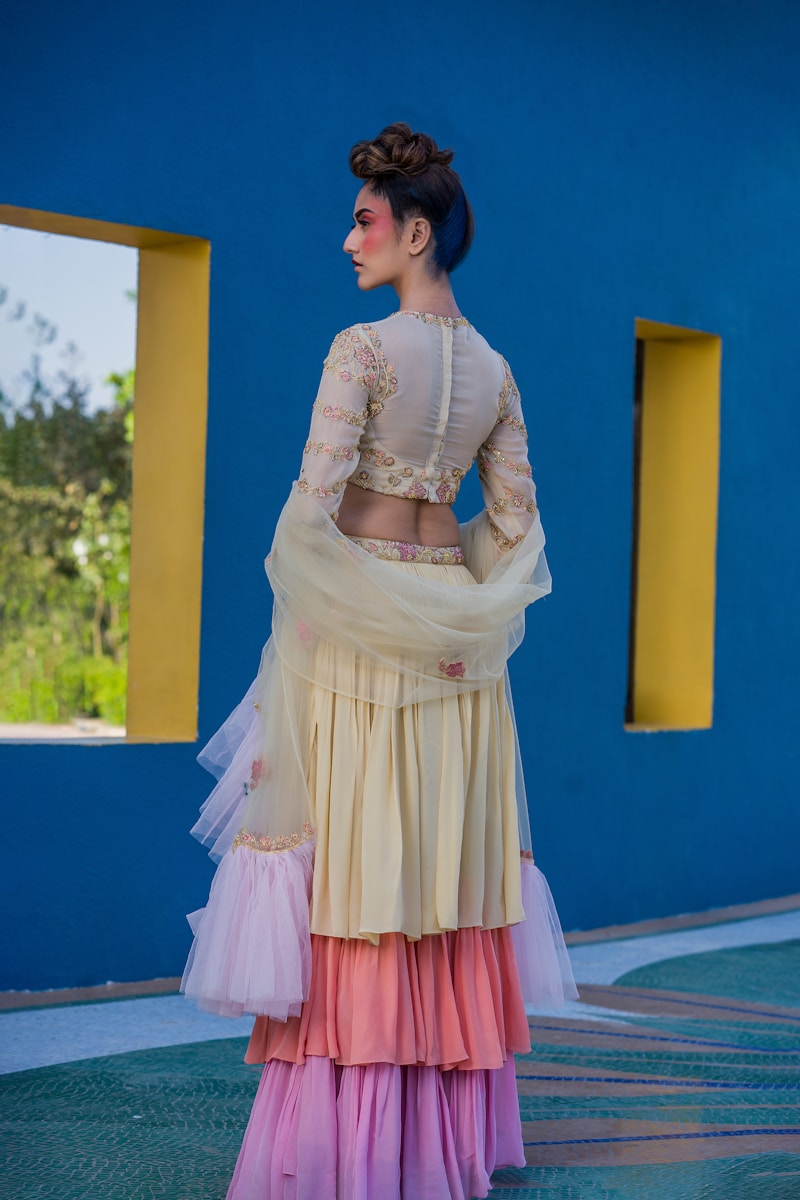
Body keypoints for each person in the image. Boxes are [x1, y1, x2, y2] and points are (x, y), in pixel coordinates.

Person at [182, 122, 576, 1200]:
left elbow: (308, 513)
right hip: (453, 631)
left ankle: (347, 1150)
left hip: (355, 628)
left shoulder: (359, 351)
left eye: (362, 221)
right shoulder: (494, 369)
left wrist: (315, 619)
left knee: (360, 869)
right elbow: (517, 525)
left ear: (414, 230)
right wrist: (464, 611)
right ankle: (437, 1145)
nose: (346, 239)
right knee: (436, 867)